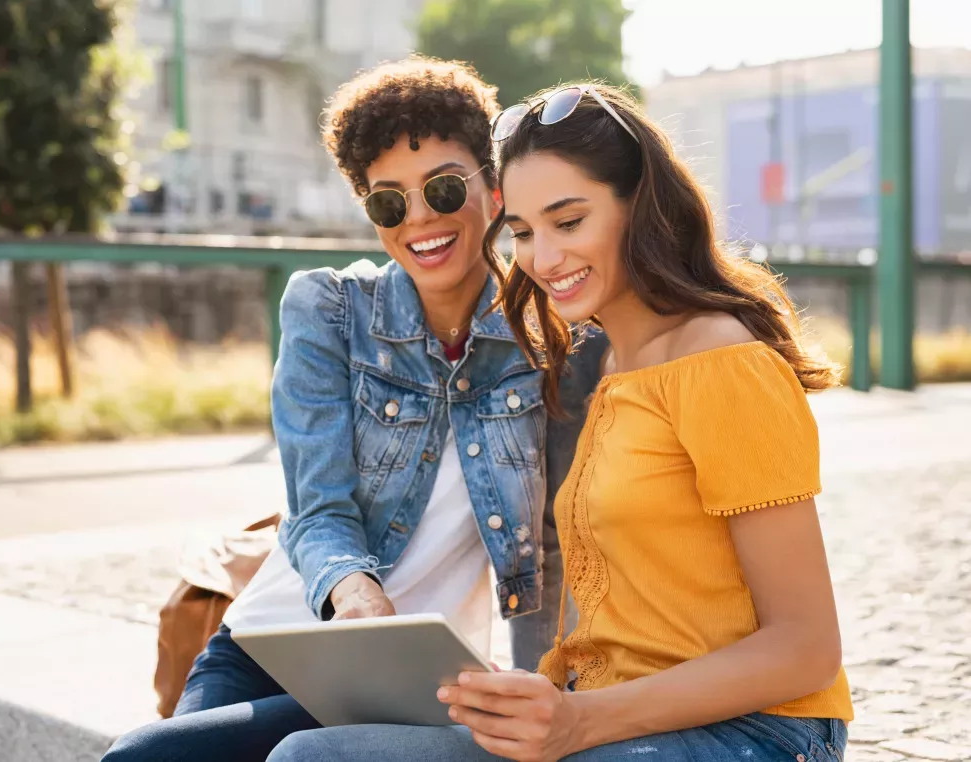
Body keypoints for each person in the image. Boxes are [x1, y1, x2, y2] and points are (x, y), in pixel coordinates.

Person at [267, 82, 853, 762]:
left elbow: (806, 649)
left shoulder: (719, 358)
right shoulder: (597, 364)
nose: (542, 260)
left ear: (640, 208)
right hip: (606, 715)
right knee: (316, 756)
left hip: (755, 732)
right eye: (520, 232)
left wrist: (581, 719)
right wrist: (540, 701)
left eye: (568, 222)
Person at [102, 58, 605, 762]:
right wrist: (356, 597)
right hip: (276, 642)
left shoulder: (557, 336)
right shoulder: (329, 309)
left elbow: (555, 542)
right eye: (388, 201)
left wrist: (542, 689)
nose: (420, 218)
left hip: (418, 679)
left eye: (442, 187)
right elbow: (318, 507)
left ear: (493, 190)